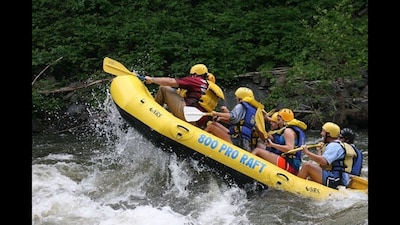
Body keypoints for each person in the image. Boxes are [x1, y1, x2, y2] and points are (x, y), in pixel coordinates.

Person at [144, 65, 224, 128]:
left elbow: (170, 81)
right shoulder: (209, 87)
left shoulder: (196, 80)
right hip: (197, 121)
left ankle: (152, 113)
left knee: (163, 88)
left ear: (194, 74)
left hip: (186, 114)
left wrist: (152, 79)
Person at [204, 87, 266, 151]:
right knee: (215, 124)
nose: (235, 98)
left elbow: (232, 116)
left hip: (237, 140)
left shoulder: (241, 106)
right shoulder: (253, 111)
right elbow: (237, 122)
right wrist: (220, 118)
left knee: (211, 127)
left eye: (236, 96)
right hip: (243, 141)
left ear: (240, 98)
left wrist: (216, 113)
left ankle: (198, 147)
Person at [251, 108, 307, 175]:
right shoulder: (286, 130)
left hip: (290, 165)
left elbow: (289, 148)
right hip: (288, 162)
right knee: (259, 146)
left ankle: (246, 168)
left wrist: (272, 145)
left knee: (258, 150)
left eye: (279, 120)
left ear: (284, 120)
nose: (277, 122)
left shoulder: (288, 131)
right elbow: (271, 138)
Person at [297, 122, 350, 189]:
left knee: (307, 166)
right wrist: (319, 151)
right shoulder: (335, 145)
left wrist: (307, 152)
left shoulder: (335, 146)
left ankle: (296, 185)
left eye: (323, 131)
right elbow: (323, 164)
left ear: (329, 134)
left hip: (335, 179)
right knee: (312, 166)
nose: (321, 133)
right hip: (334, 177)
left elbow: (323, 161)